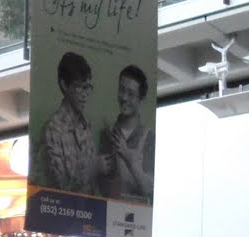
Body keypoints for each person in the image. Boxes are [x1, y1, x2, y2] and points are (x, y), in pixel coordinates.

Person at [33, 51, 97, 196]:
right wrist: (93, 168)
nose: (85, 94)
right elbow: (60, 186)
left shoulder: (85, 125)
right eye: (79, 87)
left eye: (87, 87)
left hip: (91, 213)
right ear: (64, 85)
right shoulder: (53, 128)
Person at [98, 64, 156, 201]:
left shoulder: (149, 138)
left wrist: (129, 159)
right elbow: (99, 188)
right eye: (121, 90)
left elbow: (149, 189)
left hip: (135, 219)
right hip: (108, 215)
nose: (124, 98)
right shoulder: (106, 134)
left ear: (141, 99)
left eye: (131, 94)